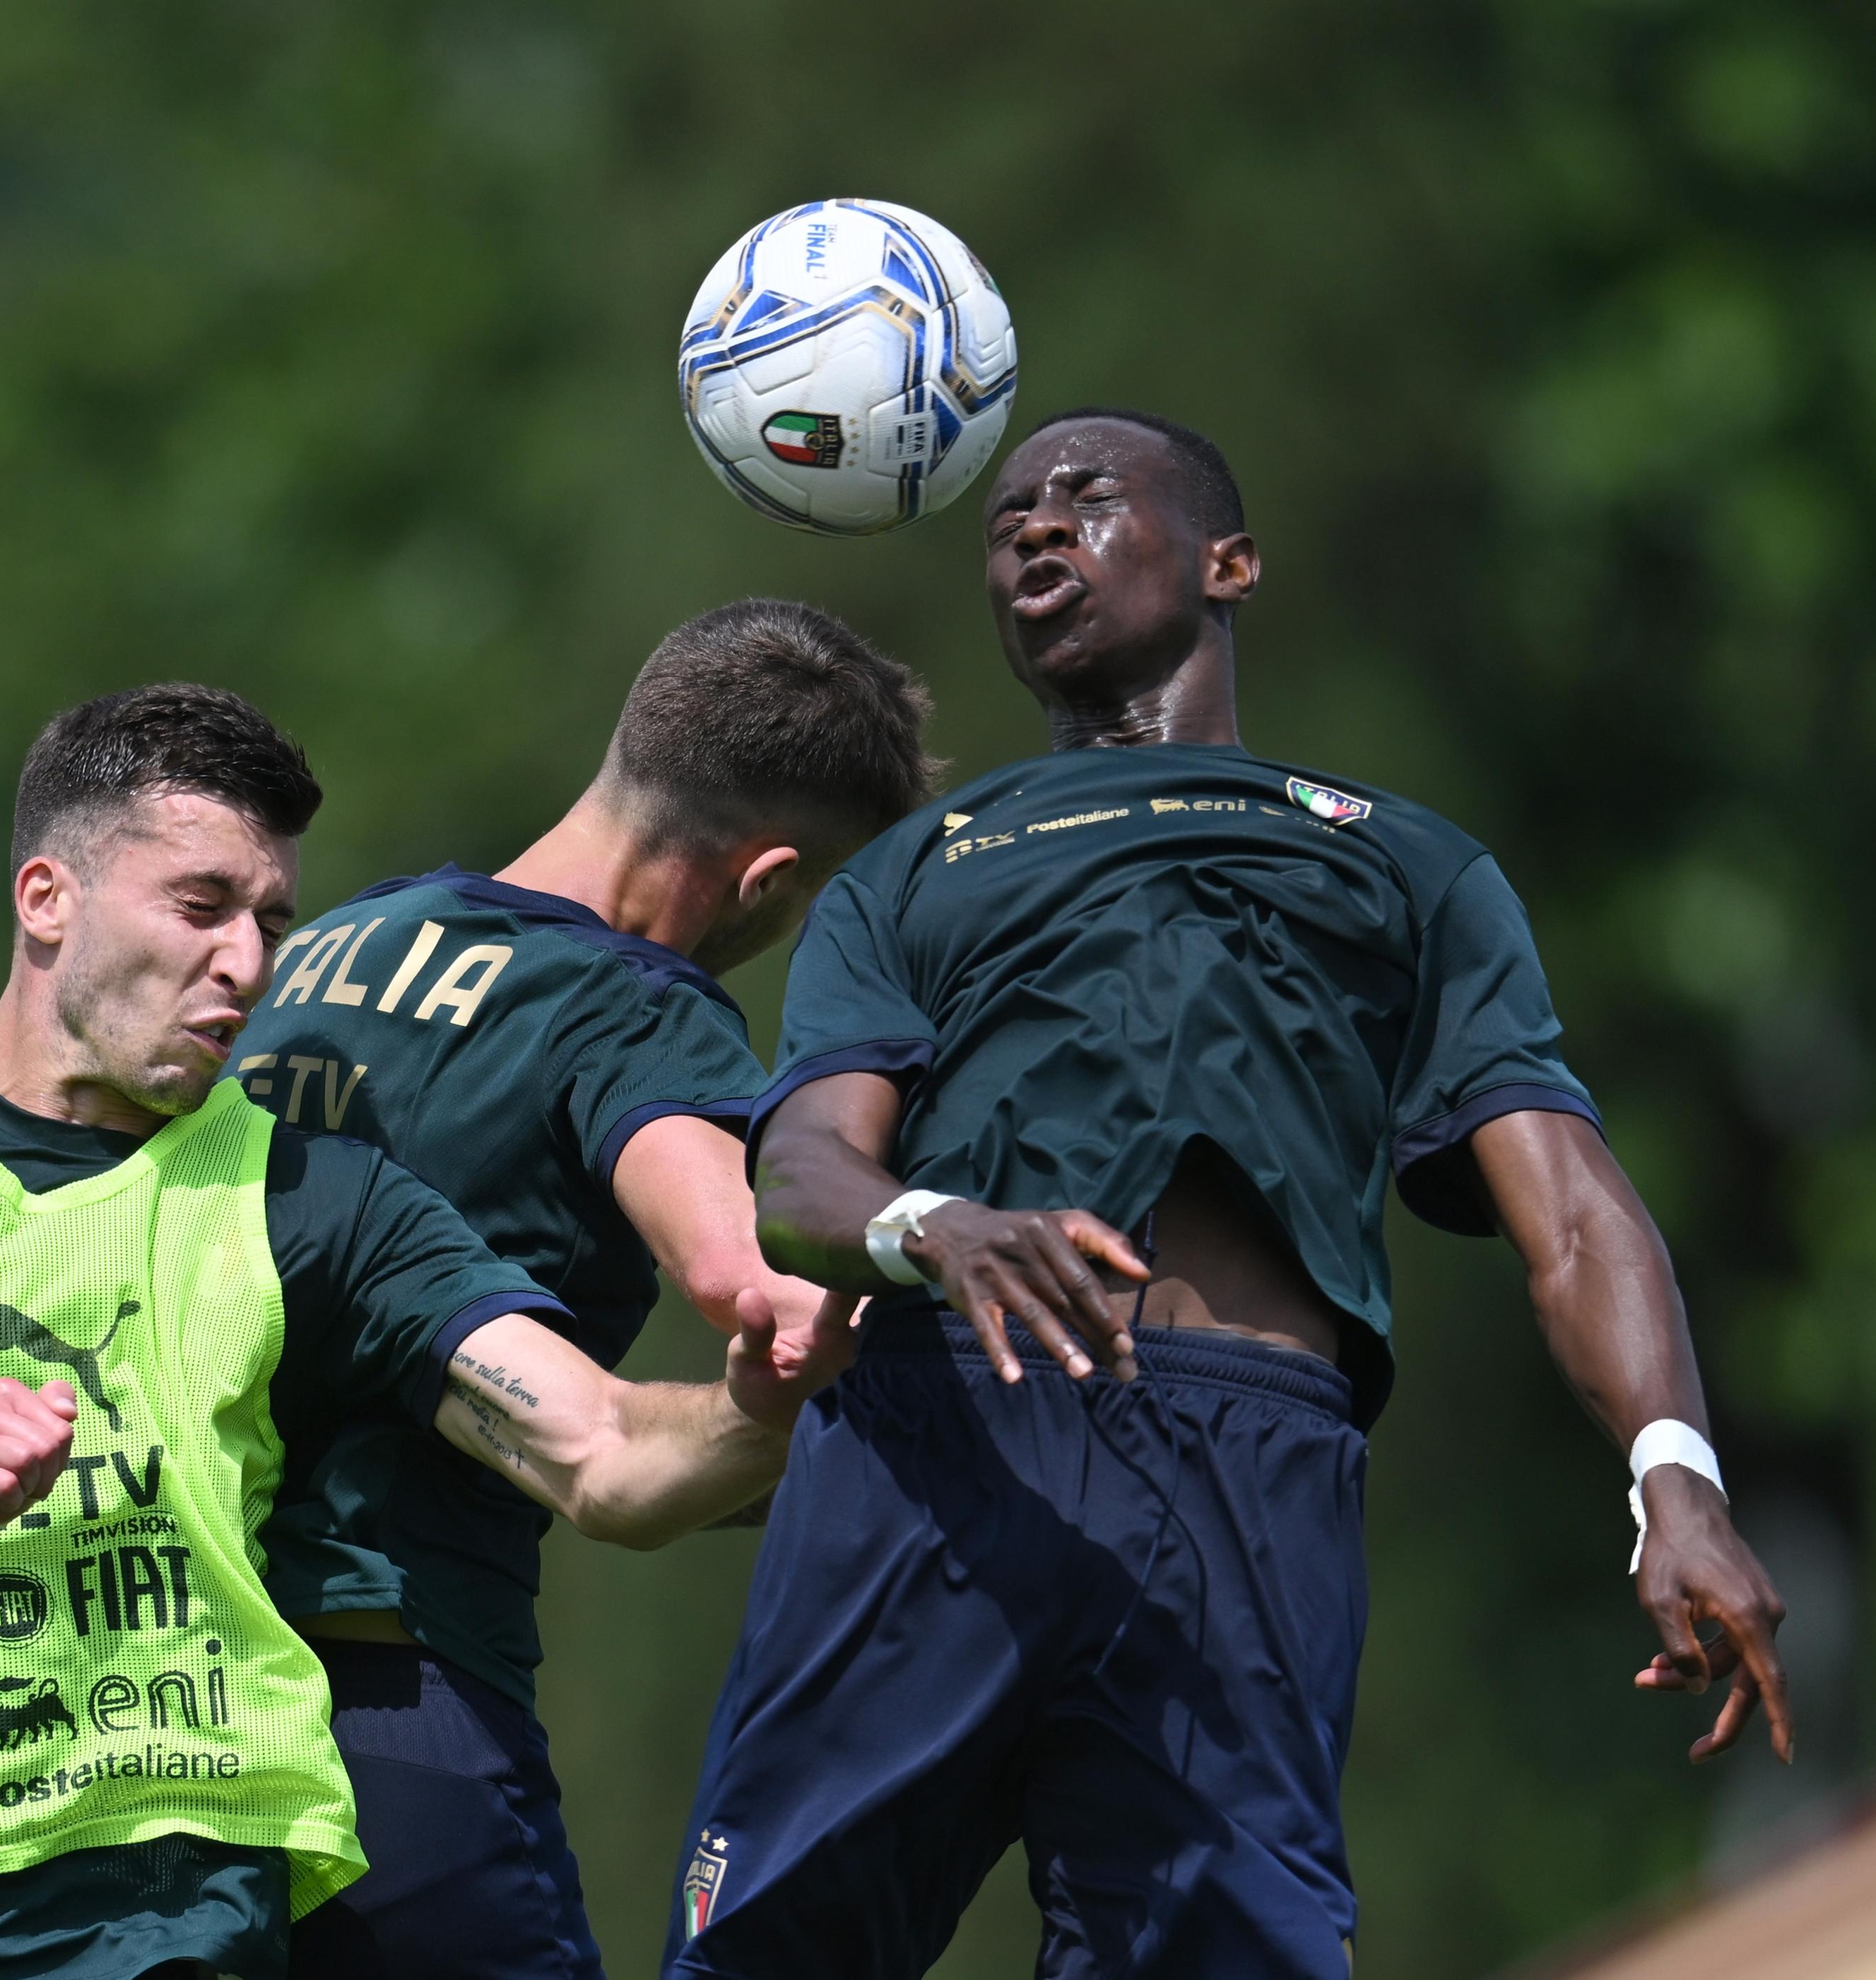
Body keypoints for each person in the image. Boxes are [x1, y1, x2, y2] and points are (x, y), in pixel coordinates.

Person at [664, 410, 1796, 1980]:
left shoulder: (1403, 862)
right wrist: (933, 1224)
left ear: (1231, 563)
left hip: (1244, 1481)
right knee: (768, 1953)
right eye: (1008, 522)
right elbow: (798, 1170)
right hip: (949, 1432)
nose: (1035, 532)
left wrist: (1674, 1476)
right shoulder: (923, 867)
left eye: (1086, 500)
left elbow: (1579, 1208)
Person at [0, 683, 845, 1980]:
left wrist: (754, 1408)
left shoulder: (313, 1199)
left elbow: (603, 1450)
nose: (248, 963)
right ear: (47, 898)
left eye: (271, 919)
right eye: (201, 906)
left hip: (146, 1912)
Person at [232, 599, 936, 1979]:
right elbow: (744, 1269)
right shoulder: (630, 1005)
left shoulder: (312, 956)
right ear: (770, 878)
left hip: (160, 1704)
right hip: (395, 1709)